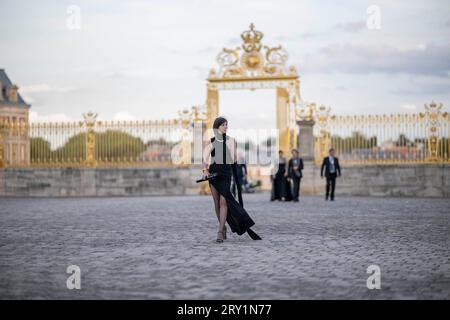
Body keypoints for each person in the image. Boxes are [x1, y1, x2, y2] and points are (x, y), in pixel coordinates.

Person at [202, 117, 261, 243]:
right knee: (216, 202)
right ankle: (223, 228)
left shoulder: (231, 141)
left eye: (226, 125)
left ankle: (219, 230)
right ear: (217, 127)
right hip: (213, 174)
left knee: (224, 201)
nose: (226, 127)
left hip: (225, 174)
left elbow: (234, 159)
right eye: (223, 125)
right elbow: (205, 159)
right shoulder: (211, 142)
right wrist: (205, 171)